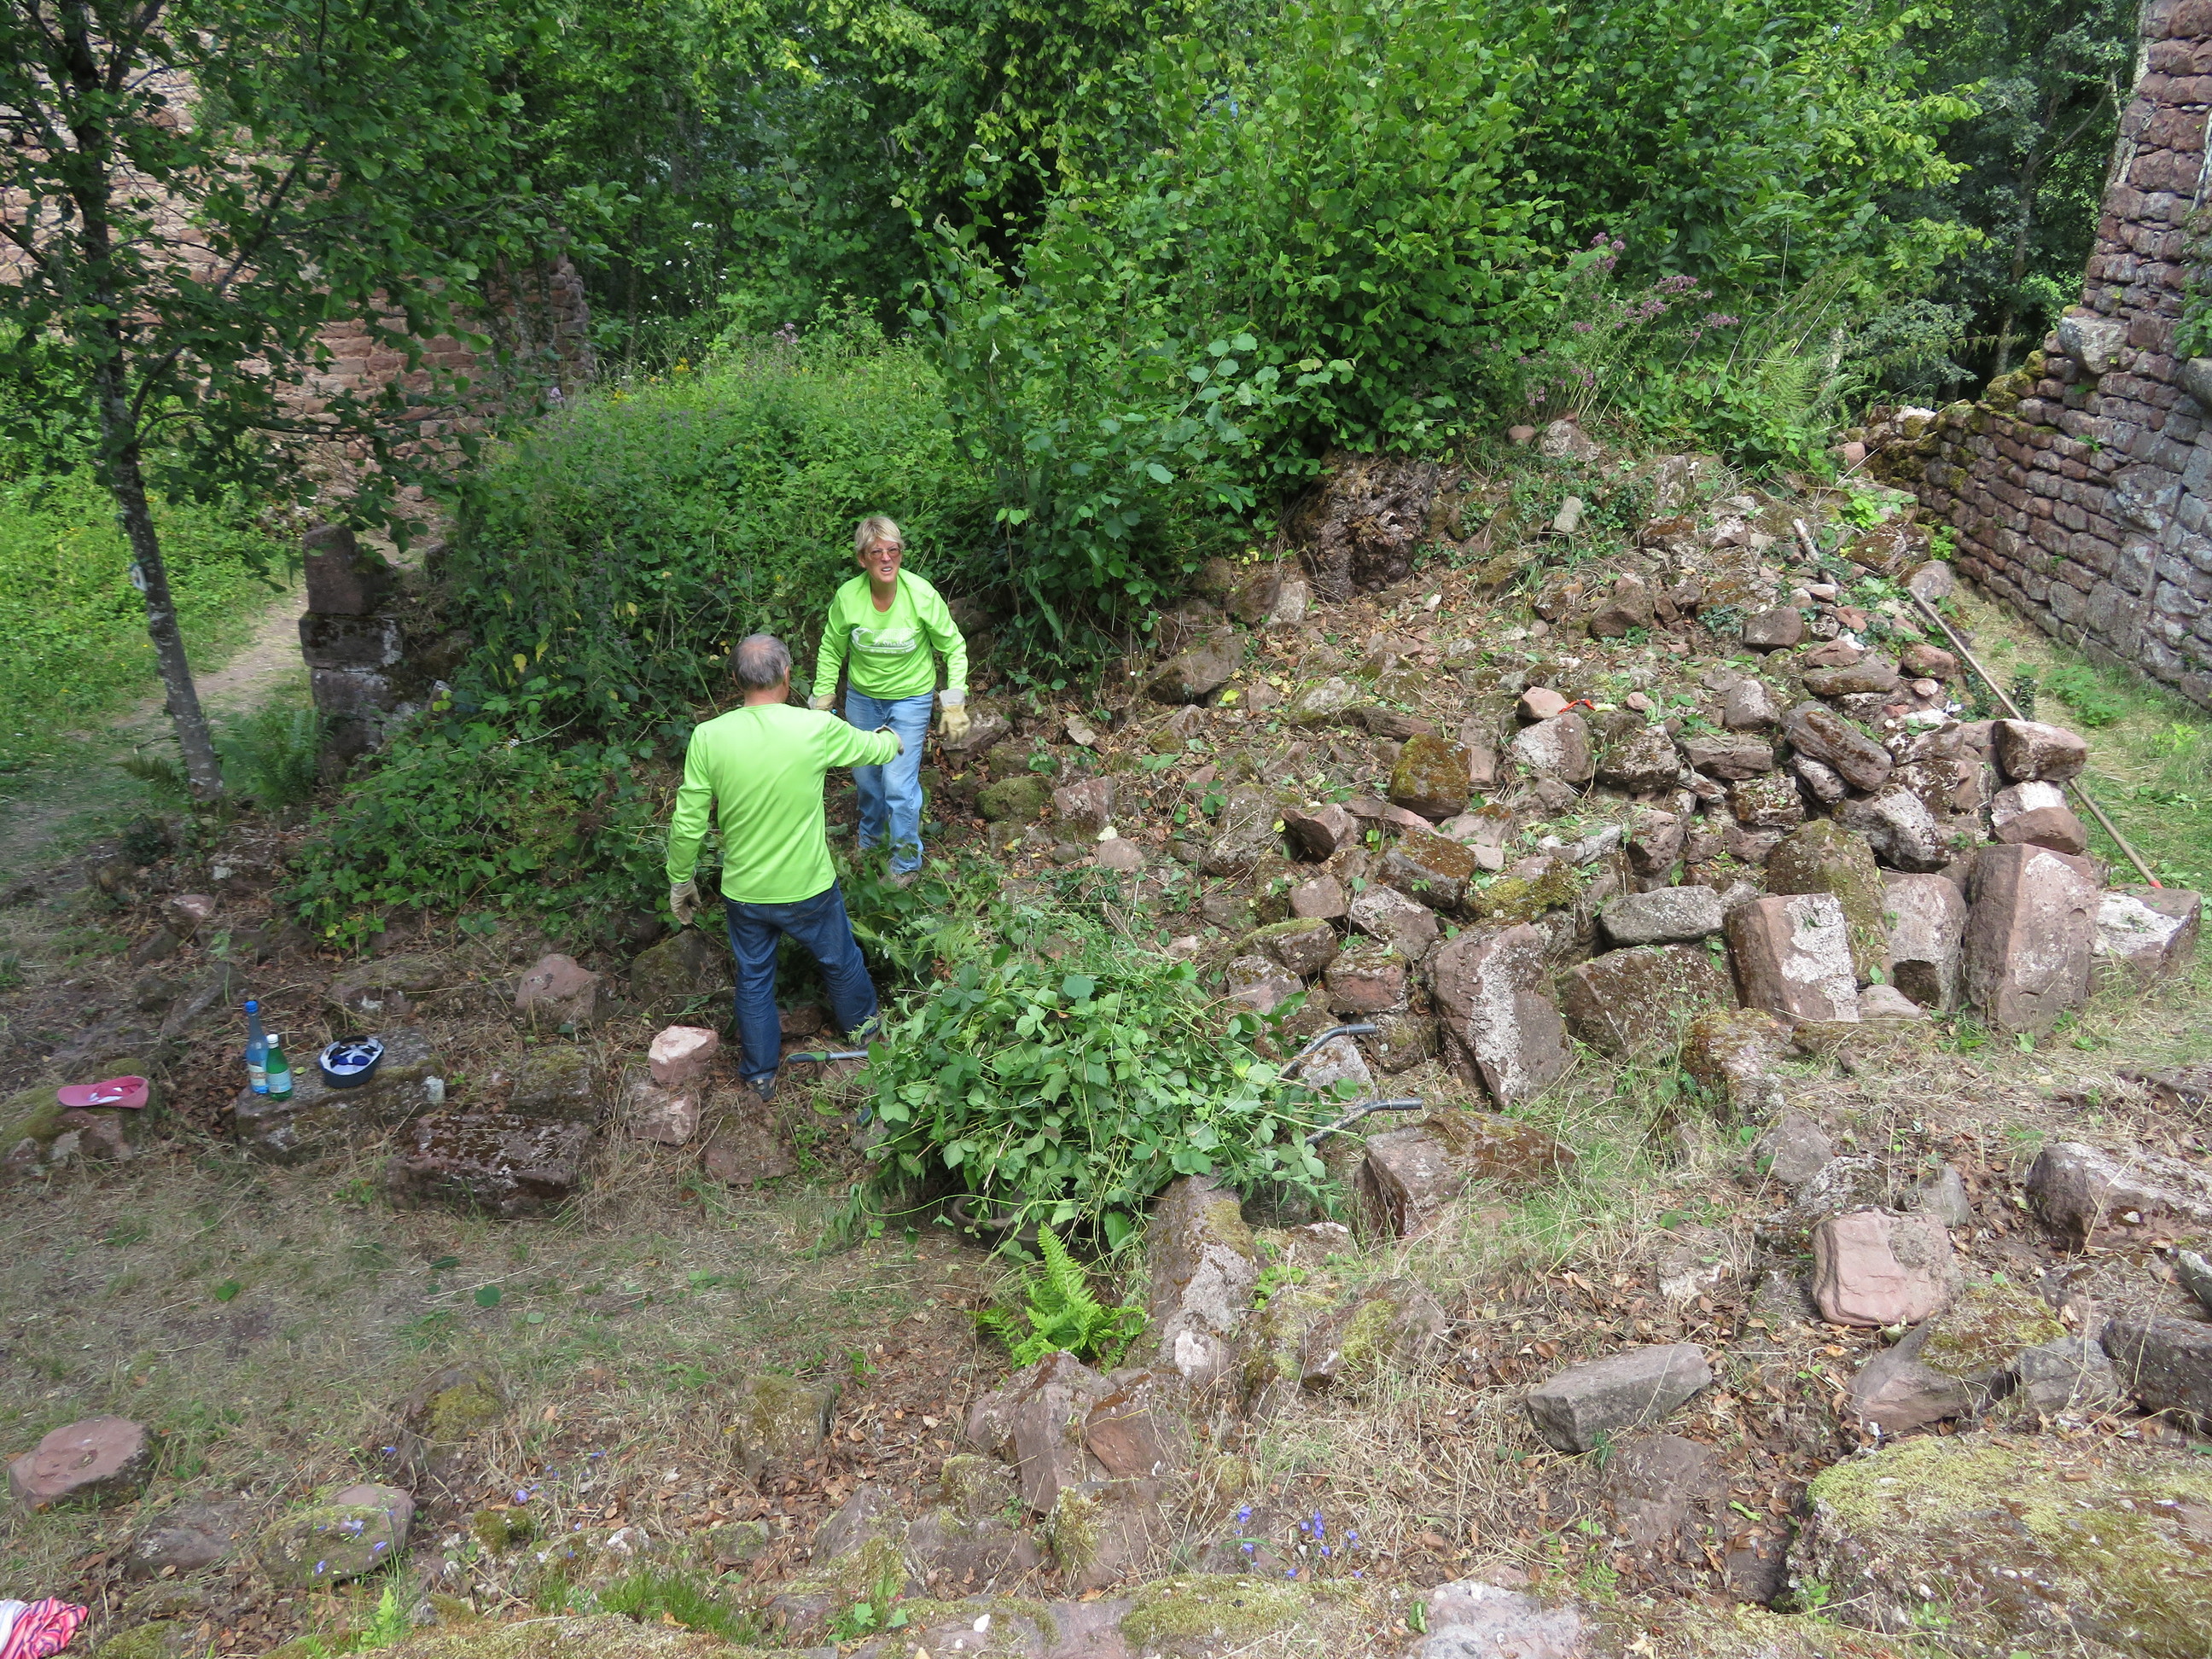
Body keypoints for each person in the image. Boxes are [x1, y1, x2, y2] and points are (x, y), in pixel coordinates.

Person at [667, 633, 902, 1099]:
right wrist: (892, 738)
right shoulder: (814, 727)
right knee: (841, 961)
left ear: (736, 681)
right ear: (788, 675)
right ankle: (868, 1039)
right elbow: (876, 750)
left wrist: (680, 880)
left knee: (754, 979)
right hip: (809, 888)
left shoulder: (709, 736)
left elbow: (688, 821)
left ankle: (760, 1075)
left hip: (745, 893)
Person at [809, 515, 969, 882]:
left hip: (910, 699)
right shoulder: (848, 597)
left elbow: (953, 646)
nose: (886, 559)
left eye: (893, 550)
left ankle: (905, 863)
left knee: (898, 785)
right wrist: (823, 699)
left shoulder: (921, 595)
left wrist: (954, 700)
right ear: (861, 558)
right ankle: (871, 838)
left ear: (901, 553)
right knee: (867, 778)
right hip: (863, 699)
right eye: (876, 552)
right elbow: (831, 648)